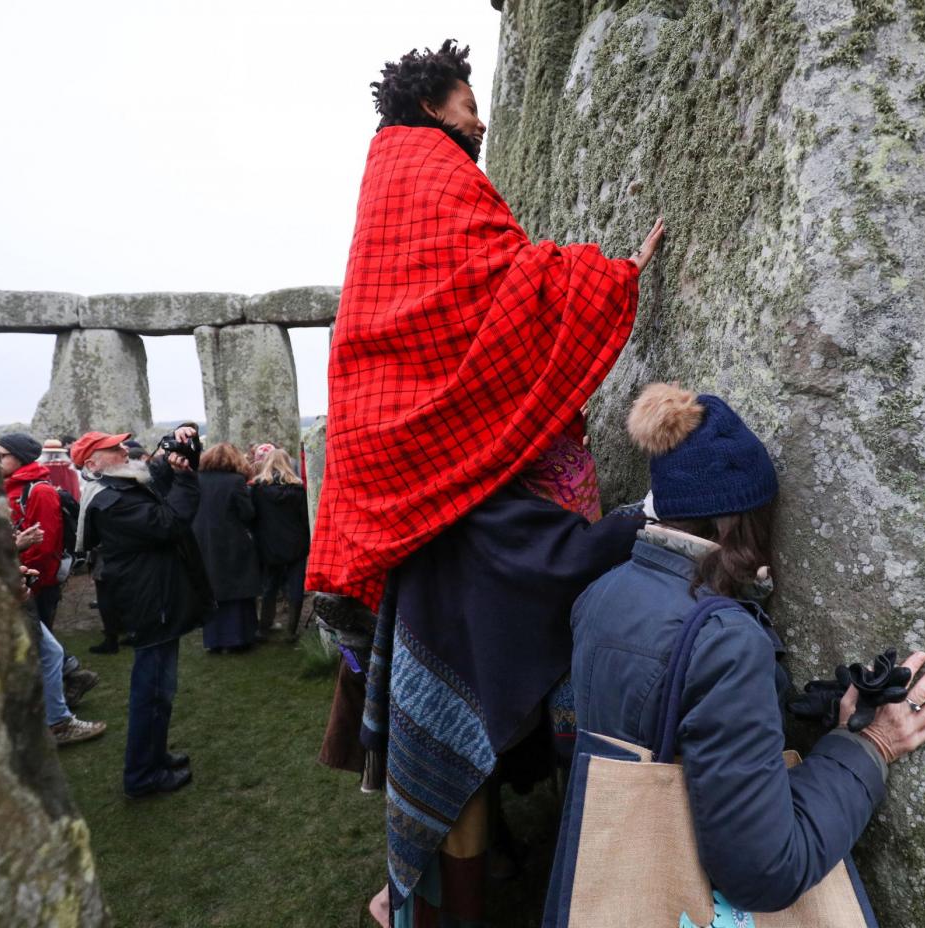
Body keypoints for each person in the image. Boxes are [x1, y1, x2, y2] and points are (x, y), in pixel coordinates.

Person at [302, 40, 666, 924]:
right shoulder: (433, 169)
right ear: (434, 102)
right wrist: (609, 275)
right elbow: (498, 291)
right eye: (469, 98)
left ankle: (450, 882)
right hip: (459, 511)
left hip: (403, 490)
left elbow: (426, 316)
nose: (481, 114)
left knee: (438, 691)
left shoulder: (385, 184)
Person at [569, 384, 925, 915]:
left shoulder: (601, 596)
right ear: (738, 523)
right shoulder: (727, 645)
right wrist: (869, 745)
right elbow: (765, 872)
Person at [74, 427, 212, 799]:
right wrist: (186, 480)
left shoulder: (115, 487)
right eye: (115, 448)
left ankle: (154, 758)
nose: (124, 450)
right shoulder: (112, 501)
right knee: (153, 690)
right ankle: (142, 776)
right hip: (152, 600)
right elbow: (169, 524)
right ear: (93, 463)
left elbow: (152, 476)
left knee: (159, 689)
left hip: (153, 594)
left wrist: (174, 441)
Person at [193, 443, 263, 652]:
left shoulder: (197, 480)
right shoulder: (235, 481)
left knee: (212, 590)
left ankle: (214, 641)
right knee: (238, 591)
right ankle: (237, 639)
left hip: (203, 539)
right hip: (232, 539)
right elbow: (247, 512)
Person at [0, 433, 65, 630]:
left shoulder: (40, 491)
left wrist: (30, 582)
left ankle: (63, 662)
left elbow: (44, 545)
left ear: (20, 457)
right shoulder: (8, 486)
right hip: (16, 575)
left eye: (1, 456)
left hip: (35, 582)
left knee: (37, 640)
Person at [250, 448, 310, 640]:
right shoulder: (299, 490)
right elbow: (304, 519)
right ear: (288, 463)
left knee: (269, 587)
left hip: (269, 545)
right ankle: (291, 631)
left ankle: (263, 627)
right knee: (295, 588)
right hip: (296, 545)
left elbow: (253, 517)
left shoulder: (258, 490)